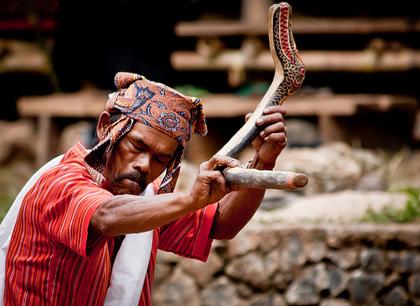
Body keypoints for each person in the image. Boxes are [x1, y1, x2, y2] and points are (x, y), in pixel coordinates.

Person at [1, 72, 288, 305]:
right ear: (105, 128)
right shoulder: (61, 180)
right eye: (136, 146)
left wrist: (264, 159)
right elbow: (105, 216)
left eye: (161, 159)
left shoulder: (147, 199)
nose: (143, 165)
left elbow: (222, 225)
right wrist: (190, 198)